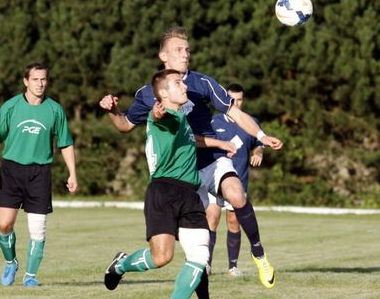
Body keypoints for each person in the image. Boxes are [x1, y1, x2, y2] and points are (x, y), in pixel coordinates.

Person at [99, 27, 281, 288]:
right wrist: (113, 111)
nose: (185, 55)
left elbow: (235, 113)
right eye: (179, 50)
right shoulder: (148, 92)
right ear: (163, 55)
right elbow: (126, 125)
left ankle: (258, 254)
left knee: (237, 194)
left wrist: (261, 136)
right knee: (165, 254)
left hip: (211, 160)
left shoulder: (202, 83)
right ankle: (129, 265)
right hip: (179, 175)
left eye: (187, 50)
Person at [104, 69, 210, 298]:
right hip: (165, 191)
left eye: (183, 83)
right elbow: (158, 117)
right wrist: (157, 112)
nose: (184, 87)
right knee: (162, 258)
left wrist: (221, 143)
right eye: (178, 83)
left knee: (200, 256)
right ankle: (120, 265)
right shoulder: (165, 116)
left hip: (190, 194)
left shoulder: (182, 118)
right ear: (163, 92)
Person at [0, 62, 78, 287]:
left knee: (37, 229)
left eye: (44, 79)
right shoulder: (11, 107)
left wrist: (72, 173)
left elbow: (65, 144)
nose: (40, 83)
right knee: (5, 224)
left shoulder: (55, 110)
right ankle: (11, 263)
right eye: (35, 79)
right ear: (26, 81)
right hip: (11, 170)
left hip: (40, 173)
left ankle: (31, 277)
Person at [205, 83, 264, 278]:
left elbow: (258, 144)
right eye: (232, 99)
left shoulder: (250, 122)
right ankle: (206, 263)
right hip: (215, 179)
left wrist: (258, 152)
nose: (236, 103)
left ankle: (233, 266)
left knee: (233, 222)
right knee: (212, 219)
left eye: (239, 99)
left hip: (239, 180)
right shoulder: (213, 122)